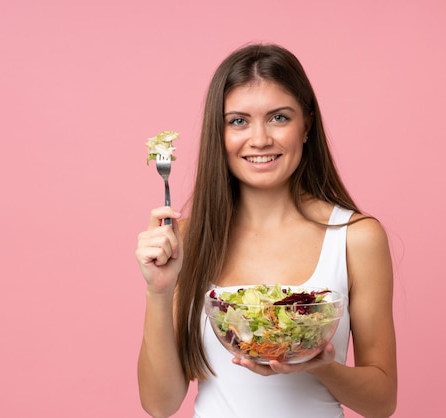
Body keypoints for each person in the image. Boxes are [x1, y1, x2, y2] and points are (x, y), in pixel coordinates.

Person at [135, 43, 397, 418]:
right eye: (238, 121)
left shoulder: (355, 237)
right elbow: (160, 405)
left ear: (306, 124)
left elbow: (382, 402)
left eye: (278, 118)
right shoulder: (187, 239)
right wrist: (158, 291)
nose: (259, 139)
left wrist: (317, 363)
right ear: (219, 132)